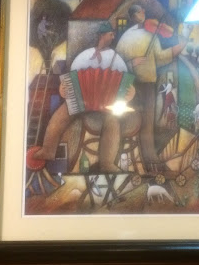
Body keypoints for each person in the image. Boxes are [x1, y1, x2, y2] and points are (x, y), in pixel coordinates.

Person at [27, 23, 134, 173]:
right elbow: (70, 80)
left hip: (109, 105)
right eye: (110, 34)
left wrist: (130, 93)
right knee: (60, 116)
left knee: (113, 123)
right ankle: (47, 150)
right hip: (80, 99)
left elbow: (126, 85)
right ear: (102, 35)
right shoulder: (84, 56)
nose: (112, 37)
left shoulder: (117, 59)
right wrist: (63, 89)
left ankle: (107, 163)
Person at [115, 4, 188, 171]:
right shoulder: (126, 36)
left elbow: (161, 58)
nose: (144, 12)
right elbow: (117, 62)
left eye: (143, 10)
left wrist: (180, 45)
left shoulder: (152, 34)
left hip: (148, 83)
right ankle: (122, 161)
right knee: (127, 120)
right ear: (135, 15)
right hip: (128, 84)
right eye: (141, 11)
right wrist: (131, 63)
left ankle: (150, 159)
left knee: (148, 123)